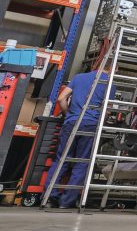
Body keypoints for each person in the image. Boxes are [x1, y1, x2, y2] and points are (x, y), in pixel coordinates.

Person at [43, 69, 109, 209]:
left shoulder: (78, 77)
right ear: (115, 68)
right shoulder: (109, 82)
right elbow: (107, 110)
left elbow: (61, 98)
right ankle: (66, 202)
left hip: (71, 122)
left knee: (61, 160)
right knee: (82, 162)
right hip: (90, 124)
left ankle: (49, 198)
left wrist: (69, 114)